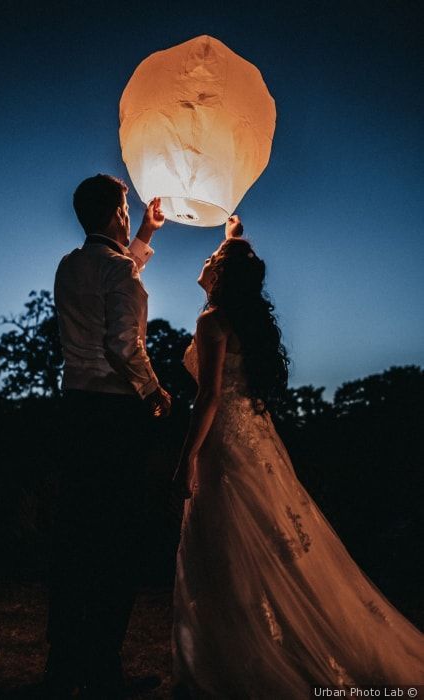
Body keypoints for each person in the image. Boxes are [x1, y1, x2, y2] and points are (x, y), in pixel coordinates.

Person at [171, 216, 424, 699]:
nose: (204, 261)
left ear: (221, 277)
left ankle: (240, 659)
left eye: (212, 260)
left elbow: (208, 398)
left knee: (229, 547)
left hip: (225, 441)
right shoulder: (239, 316)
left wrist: (187, 458)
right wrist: (231, 239)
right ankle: (251, 647)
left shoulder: (211, 321)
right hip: (259, 440)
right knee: (267, 542)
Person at [48, 174, 171, 699]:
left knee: (76, 539)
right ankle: (103, 669)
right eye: (127, 207)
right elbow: (124, 345)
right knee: (117, 541)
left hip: (74, 411)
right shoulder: (119, 271)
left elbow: (115, 272)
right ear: (114, 213)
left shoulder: (69, 265)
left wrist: (146, 233)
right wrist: (155, 392)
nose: (130, 212)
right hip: (113, 416)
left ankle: (64, 664)